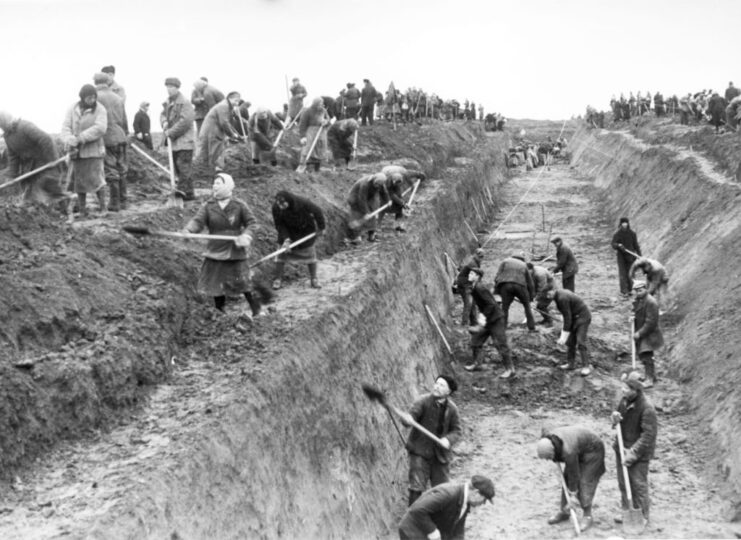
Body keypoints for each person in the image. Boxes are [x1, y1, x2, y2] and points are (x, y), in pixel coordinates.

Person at [183, 173, 261, 316]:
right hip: (216, 249)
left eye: (218, 183)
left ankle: (256, 310)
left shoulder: (239, 205)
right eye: (214, 183)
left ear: (228, 186)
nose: (214, 186)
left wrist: (246, 235)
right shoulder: (208, 206)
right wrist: (188, 230)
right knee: (215, 282)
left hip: (235, 249)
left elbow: (252, 223)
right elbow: (198, 221)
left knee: (244, 281)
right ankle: (220, 310)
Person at [399, 375, 462, 506]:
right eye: (436, 384)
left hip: (440, 456)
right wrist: (408, 419)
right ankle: (413, 520)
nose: (437, 387)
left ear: (448, 391)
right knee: (416, 488)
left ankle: (437, 520)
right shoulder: (423, 401)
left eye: (441, 385)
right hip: (420, 451)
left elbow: (457, 431)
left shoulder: (452, 409)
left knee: (442, 490)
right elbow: (411, 416)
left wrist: (448, 440)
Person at [536, 425, 606, 532]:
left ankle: (588, 516)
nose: (548, 460)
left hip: (593, 451)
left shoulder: (568, 451)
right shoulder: (550, 440)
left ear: (553, 451)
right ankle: (565, 512)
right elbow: (544, 432)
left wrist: (573, 495)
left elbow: (574, 474)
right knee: (566, 479)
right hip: (580, 447)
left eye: (548, 457)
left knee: (584, 482)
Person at [611, 371, 658, 525]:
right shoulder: (624, 400)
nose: (623, 390)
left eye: (626, 388)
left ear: (636, 390)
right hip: (622, 446)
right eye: (623, 387)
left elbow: (648, 436)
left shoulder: (647, 408)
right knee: (624, 483)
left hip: (639, 452)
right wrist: (614, 419)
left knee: (638, 484)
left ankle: (643, 516)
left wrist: (633, 453)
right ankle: (627, 512)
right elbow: (617, 422)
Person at [0, 111, 68, 207]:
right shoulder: (8, 137)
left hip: (46, 159)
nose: (2, 127)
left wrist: (52, 160)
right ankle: (55, 208)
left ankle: (69, 206)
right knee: (31, 194)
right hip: (32, 166)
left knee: (49, 184)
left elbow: (46, 139)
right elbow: (13, 158)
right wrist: (12, 175)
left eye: (2, 124)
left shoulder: (24, 126)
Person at [398, 475, 495, 540]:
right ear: (476, 493)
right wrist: (432, 531)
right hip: (412, 531)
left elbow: (458, 529)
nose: (482, 503)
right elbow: (418, 510)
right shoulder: (448, 494)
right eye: (484, 500)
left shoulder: (465, 501)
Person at [61, 84, 108, 217]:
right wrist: (70, 139)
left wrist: (81, 138)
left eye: (94, 97)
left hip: (93, 151)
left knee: (97, 180)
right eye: (89, 97)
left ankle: (103, 208)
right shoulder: (73, 108)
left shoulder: (100, 109)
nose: (92, 100)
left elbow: (100, 128)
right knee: (79, 183)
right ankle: (82, 210)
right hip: (77, 153)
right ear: (82, 97)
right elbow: (65, 127)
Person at [271, 190, 325, 290]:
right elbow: (279, 225)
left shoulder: (302, 203)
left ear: (288, 201)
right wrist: (286, 239)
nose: (281, 206)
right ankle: (277, 279)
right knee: (281, 255)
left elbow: (317, 211)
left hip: (304, 230)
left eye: (283, 204)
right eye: (279, 204)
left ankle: (314, 279)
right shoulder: (276, 207)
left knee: (310, 254)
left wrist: (321, 227)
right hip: (287, 231)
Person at [465, 280, 515, 379]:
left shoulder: (481, 288)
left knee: (501, 344)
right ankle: (477, 364)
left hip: (496, 319)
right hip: (488, 320)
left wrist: (483, 316)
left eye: (472, 274)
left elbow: (491, 304)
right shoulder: (474, 289)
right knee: (476, 341)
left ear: (477, 276)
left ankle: (510, 369)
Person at [94, 72, 128, 211]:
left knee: (111, 170)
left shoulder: (96, 98)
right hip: (120, 136)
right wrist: (125, 135)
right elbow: (124, 120)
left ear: (96, 83)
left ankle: (114, 203)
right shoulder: (117, 97)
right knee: (122, 170)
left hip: (107, 138)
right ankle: (123, 201)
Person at [161, 77, 196, 201]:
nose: (169, 90)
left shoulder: (185, 103)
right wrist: (164, 121)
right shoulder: (167, 102)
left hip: (185, 142)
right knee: (179, 168)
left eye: (171, 87)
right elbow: (163, 115)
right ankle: (190, 193)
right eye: (167, 87)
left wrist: (170, 132)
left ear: (177, 88)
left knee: (183, 167)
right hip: (174, 142)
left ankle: (180, 194)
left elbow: (185, 122)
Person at [547, 288, 592, 376]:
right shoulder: (558, 296)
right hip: (574, 317)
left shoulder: (562, 297)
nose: (547, 297)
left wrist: (563, 337)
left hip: (583, 317)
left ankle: (586, 367)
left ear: (553, 290)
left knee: (580, 341)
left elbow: (567, 318)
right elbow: (566, 314)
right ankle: (571, 364)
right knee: (571, 342)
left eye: (548, 294)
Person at [198, 92, 244, 173]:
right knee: (216, 153)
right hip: (213, 132)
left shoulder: (227, 106)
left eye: (238, 102)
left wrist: (237, 135)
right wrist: (233, 135)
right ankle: (215, 173)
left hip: (210, 131)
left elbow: (228, 123)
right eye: (235, 101)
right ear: (229, 98)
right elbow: (224, 123)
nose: (237, 103)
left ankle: (207, 172)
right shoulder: (224, 106)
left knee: (207, 154)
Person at [631, 280, 663, 388]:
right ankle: (650, 376)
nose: (639, 292)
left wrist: (639, 333)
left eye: (641, 290)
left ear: (645, 289)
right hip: (643, 331)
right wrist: (632, 316)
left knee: (647, 355)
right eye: (637, 291)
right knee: (644, 355)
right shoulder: (640, 300)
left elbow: (651, 322)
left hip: (649, 333)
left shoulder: (651, 302)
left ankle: (649, 379)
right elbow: (636, 311)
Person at [494, 251, 536, 331]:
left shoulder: (505, 261)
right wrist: (531, 297)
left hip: (505, 286)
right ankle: (532, 327)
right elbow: (530, 283)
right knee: (527, 306)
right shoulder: (524, 265)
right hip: (520, 286)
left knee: (505, 308)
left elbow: (497, 277)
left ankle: (503, 327)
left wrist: (497, 291)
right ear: (521, 259)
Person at [380, 165, 426, 231]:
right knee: (384, 202)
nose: (398, 185)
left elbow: (415, 174)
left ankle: (397, 225)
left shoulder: (405, 174)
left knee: (400, 202)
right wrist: (402, 203)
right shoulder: (386, 181)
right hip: (386, 172)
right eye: (396, 184)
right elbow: (392, 195)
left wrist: (421, 176)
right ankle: (377, 224)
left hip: (398, 172)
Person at [346, 172, 388, 243]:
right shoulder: (365, 184)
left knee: (372, 213)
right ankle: (356, 237)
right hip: (356, 198)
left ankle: (371, 236)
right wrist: (366, 212)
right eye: (376, 184)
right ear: (374, 180)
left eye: (379, 185)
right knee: (357, 214)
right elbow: (362, 199)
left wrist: (388, 201)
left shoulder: (381, 183)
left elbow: (384, 193)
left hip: (369, 197)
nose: (377, 186)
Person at [298, 97, 330, 172]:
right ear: (315, 104)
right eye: (319, 104)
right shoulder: (307, 111)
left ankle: (317, 167)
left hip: (321, 131)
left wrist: (326, 122)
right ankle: (303, 165)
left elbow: (328, 120)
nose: (321, 105)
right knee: (308, 148)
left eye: (322, 104)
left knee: (320, 149)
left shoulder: (323, 111)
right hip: (311, 132)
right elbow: (302, 125)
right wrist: (303, 136)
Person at [611, 217, 641, 296]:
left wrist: (639, 255)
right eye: (623, 223)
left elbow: (636, 245)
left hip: (631, 256)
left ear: (628, 223)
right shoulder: (617, 234)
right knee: (622, 273)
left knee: (630, 273)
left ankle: (630, 289)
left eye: (626, 222)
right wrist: (618, 245)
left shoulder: (632, 234)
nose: (625, 224)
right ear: (620, 224)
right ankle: (624, 291)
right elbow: (613, 244)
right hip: (621, 257)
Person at [454, 248, 484, 326]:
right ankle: (464, 324)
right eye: (480, 256)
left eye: (482, 257)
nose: (481, 258)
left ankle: (474, 323)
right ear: (476, 255)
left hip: (467, 284)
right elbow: (476, 276)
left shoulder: (475, 262)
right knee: (469, 303)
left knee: (473, 303)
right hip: (464, 285)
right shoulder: (473, 263)